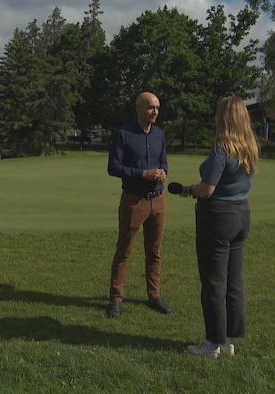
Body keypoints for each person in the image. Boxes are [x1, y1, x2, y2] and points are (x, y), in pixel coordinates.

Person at [185, 96, 259, 359]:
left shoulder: (222, 148)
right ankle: (228, 339)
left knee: (214, 280)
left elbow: (207, 189)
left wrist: (190, 190)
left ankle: (211, 343)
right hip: (242, 214)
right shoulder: (249, 146)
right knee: (233, 279)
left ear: (224, 116)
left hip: (218, 216)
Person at [106, 91, 172, 318]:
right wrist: (143, 174)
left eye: (157, 108)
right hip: (134, 200)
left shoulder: (159, 135)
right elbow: (114, 167)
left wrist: (163, 173)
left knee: (154, 252)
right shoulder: (123, 134)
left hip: (158, 200)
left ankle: (154, 296)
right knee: (124, 251)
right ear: (139, 108)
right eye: (151, 108)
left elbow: (163, 161)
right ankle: (116, 299)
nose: (155, 112)